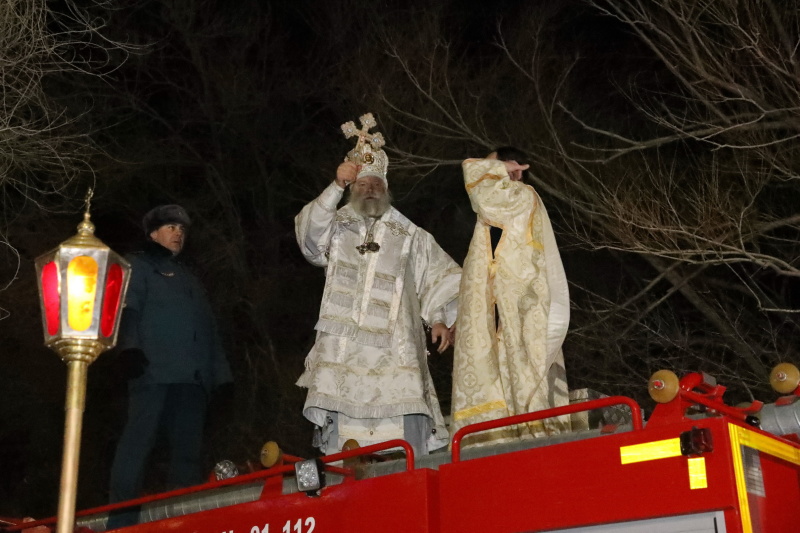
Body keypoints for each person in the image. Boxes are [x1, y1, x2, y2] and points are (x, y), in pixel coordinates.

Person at [294, 115, 461, 455]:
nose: (369, 191)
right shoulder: (335, 225)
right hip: (343, 349)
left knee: (402, 439)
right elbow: (309, 240)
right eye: (361, 185)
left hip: (396, 349)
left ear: (386, 189)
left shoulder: (410, 233)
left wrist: (440, 317)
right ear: (351, 190)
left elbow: (439, 274)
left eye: (376, 185)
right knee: (347, 454)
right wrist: (335, 186)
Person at [107, 205, 232, 528]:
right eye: (170, 227)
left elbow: (208, 330)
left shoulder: (191, 278)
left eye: (182, 229)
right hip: (154, 370)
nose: (178, 232)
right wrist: (129, 349)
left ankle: (182, 521)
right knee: (138, 444)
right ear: (152, 233)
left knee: (187, 455)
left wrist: (221, 377)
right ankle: (121, 521)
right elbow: (128, 309)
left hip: (193, 379)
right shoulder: (139, 265)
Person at [451, 147, 570, 446]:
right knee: (500, 367)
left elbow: (483, 194)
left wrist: (495, 169)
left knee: (525, 369)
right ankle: (500, 438)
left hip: (524, 300)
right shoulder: (502, 206)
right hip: (503, 302)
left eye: (495, 165)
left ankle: (535, 437)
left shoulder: (521, 196)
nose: (488, 170)